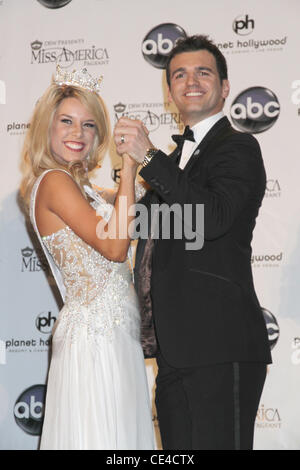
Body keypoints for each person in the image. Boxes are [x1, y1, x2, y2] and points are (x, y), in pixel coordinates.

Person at [113, 35, 272, 450]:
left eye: (204, 72)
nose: (191, 81)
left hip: (220, 346)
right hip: (173, 351)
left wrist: (148, 157)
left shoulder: (237, 146)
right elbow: (141, 224)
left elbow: (211, 217)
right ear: (169, 92)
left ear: (224, 88)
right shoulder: (176, 157)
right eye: (179, 74)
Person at [20, 66, 154, 450]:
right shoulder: (54, 182)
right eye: (66, 121)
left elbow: (135, 210)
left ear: (99, 134)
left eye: (89, 125)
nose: (77, 134)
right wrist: (129, 167)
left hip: (115, 335)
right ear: (48, 126)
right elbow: (114, 247)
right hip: (95, 338)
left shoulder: (81, 187)